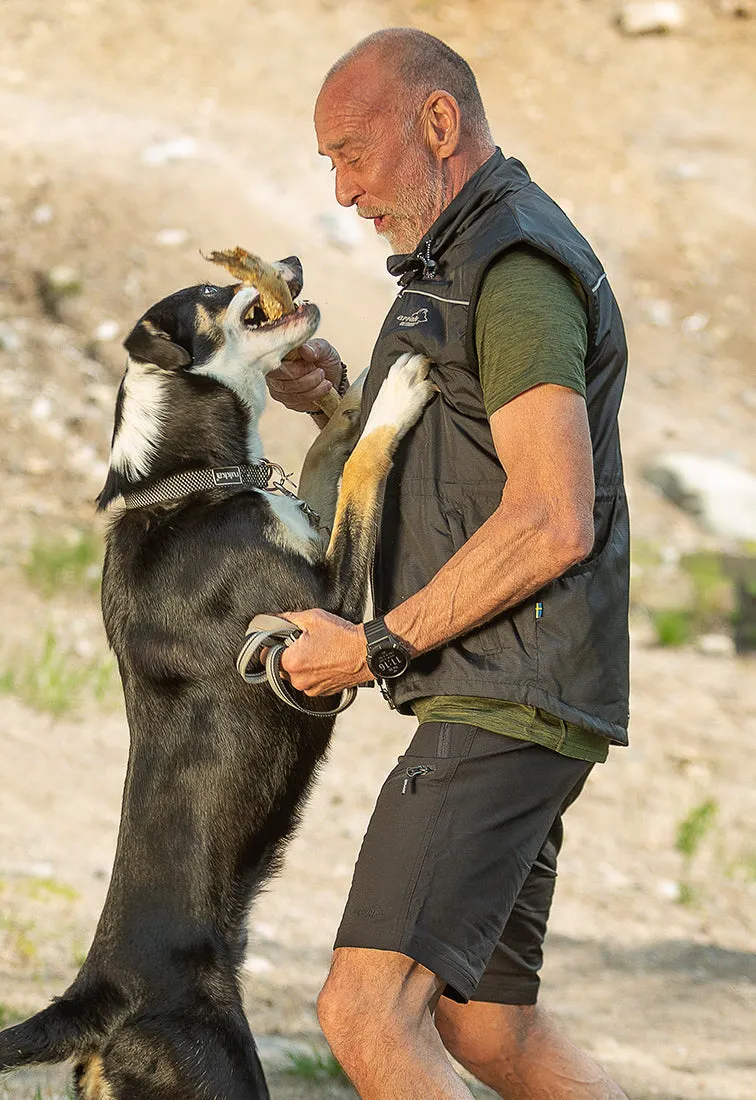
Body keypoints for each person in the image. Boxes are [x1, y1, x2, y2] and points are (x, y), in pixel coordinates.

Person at [267, 28, 631, 1100]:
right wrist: (334, 398)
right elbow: (445, 452)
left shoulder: (511, 267)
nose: (341, 192)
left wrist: (375, 646)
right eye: (325, 163)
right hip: (517, 687)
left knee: (365, 1009)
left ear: (435, 123)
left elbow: (550, 514)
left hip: (500, 692)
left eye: (350, 152)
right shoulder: (460, 261)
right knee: (488, 1031)